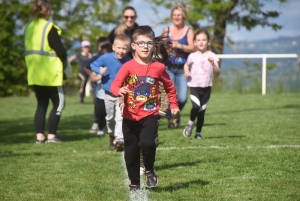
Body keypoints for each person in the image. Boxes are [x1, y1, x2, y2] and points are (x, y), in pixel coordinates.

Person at [110, 26, 180, 192]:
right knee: (131, 151)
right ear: (133, 45)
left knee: (147, 143)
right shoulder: (127, 67)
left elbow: (169, 87)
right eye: (141, 43)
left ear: (154, 46)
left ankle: (149, 169)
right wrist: (118, 91)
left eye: (149, 43)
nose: (145, 46)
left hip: (150, 114)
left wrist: (174, 104)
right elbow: (115, 85)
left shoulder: (159, 68)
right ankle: (134, 182)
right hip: (130, 116)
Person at [24, 0, 67, 143]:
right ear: (48, 11)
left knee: (41, 104)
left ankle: (39, 136)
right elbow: (60, 51)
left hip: (35, 73)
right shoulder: (49, 27)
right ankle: (52, 135)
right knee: (59, 103)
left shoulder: (28, 27)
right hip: (51, 73)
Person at [90, 34, 131, 149]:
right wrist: (99, 70)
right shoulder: (106, 58)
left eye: (124, 48)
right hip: (107, 94)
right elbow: (93, 65)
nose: (121, 51)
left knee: (120, 117)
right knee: (110, 118)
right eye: (119, 48)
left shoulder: (128, 61)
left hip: (121, 95)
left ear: (128, 49)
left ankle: (119, 140)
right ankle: (112, 136)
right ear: (113, 47)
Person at [161, 2, 195, 129]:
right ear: (171, 16)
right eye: (174, 15)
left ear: (183, 17)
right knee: (169, 95)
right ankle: (171, 119)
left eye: (179, 15)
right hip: (168, 67)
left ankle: (176, 113)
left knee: (182, 98)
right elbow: (161, 46)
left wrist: (179, 46)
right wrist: (166, 47)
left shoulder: (188, 30)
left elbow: (193, 47)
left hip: (183, 69)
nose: (176, 17)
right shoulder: (167, 30)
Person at [183, 29, 220, 139]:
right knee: (195, 107)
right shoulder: (192, 56)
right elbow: (186, 65)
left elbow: (218, 72)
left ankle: (198, 133)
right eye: (198, 40)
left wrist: (213, 64)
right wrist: (186, 71)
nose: (201, 42)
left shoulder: (212, 56)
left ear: (208, 42)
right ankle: (190, 122)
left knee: (201, 113)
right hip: (194, 86)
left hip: (206, 88)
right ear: (194, 42)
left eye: (204, 40)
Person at [84, 37, 112, 135]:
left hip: (112, 93)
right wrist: (100, 76)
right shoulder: (99, 65)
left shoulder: (114, 64)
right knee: (101, 112)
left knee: (112, 113)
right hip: (100, 94)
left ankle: (111, 128)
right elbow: (92, 78)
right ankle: (100, 128)